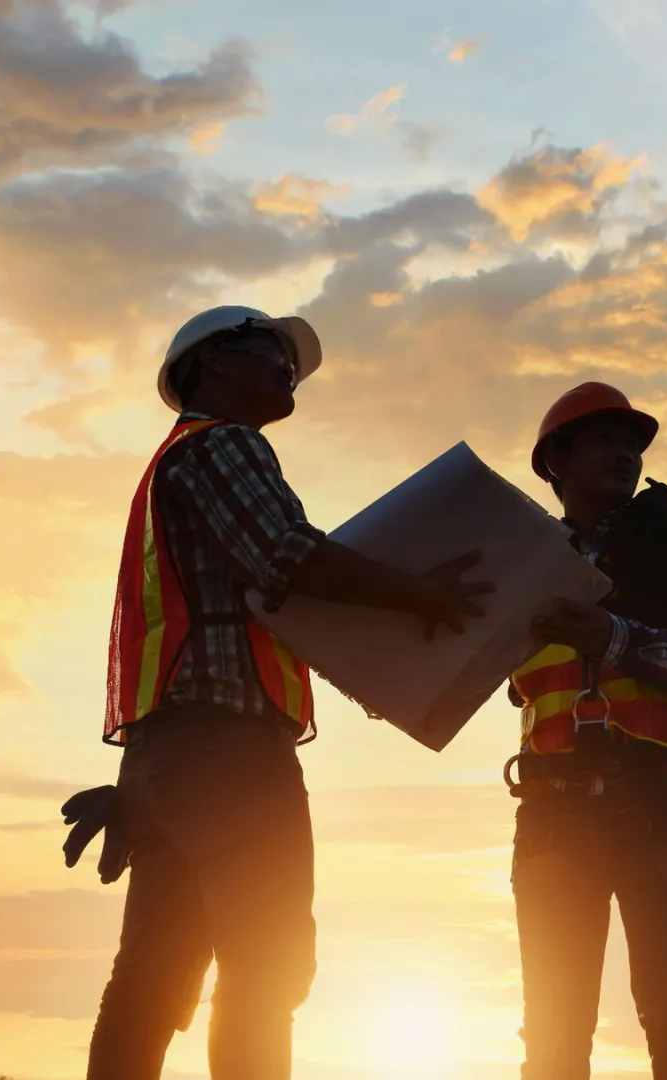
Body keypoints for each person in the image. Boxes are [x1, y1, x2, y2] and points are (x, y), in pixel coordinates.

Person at [70, 305, 493, 1080]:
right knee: (266, 968)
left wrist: (142, 781)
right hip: (229, 757)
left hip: (171, 761)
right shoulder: (226, 445)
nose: (287, 368)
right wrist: (417, 596)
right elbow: (287, 558)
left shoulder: (175, 464)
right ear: (214, 361)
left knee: (154, 980)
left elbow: (240, 614)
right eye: (270, 349)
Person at [506, 381, 667, 1080]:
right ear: (556, 462)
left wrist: (612, 635)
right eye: (604, 440)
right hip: (553, 813)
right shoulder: (518, 561)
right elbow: (464, 661)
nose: (625, 454)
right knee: (552, 1033)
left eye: (631, 443)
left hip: (659, 805)